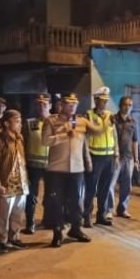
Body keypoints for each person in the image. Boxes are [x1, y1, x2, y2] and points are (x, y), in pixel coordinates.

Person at [42, 93, 102, 247]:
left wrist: (102, 118)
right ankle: (57, 232)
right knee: (56, 202)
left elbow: (91, 136)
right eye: (69, 104)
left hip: (76, 169)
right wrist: (63, 135)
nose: (72, 107)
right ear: (62, 104)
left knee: (76, 201)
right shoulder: (51, 120)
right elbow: (45, 141)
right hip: (57, 169)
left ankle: (76, 229)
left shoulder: (82, 121)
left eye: (75, 104)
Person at [0, 109, 29, 251]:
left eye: (20, 121)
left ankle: (15, 237)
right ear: (6, 123)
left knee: (18, 212)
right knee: (4, 214)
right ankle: (2, 240)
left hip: (21, 182)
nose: (20, 124)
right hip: (7, 183)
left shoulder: (19, 138)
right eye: (16, 121)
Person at [83, 87, 118, 227]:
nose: (103, 104)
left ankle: (101, 215)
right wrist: (87, 158)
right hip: (94, 156)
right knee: (91, 189)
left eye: (105, 101)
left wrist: (116, 154)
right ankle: (87, 217)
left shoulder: (110, 116)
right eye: (101, 101)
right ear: (95, 100)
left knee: (105, 188)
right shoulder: (88, 115)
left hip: (108, 157)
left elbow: (114, 135)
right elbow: (84, 138)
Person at [108, 95, 140, 219]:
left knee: (126, 185)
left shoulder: (133, 122)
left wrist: (136, 159)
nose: (127, 107)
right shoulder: (113, 119)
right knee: (111, 183)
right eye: (125, 105)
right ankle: (108, 209)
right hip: (115, 156)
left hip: (128, 157)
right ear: (120, 105)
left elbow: (135, 141)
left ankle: (122, 209)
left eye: (130, 105)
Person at [23, 93, 51, 233]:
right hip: (33, 165)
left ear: (50, 106)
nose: (41, 107)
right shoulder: (29, 123)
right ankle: (30, 223)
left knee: (50, 195)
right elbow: (23, 143)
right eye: (39, 104)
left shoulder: (54, 122)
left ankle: (48, 221)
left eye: (44, 104)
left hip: (51, 166)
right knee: (31, 196)